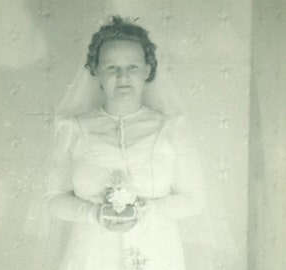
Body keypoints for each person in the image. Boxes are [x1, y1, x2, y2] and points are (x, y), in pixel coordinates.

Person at [45, 16, 206, 270]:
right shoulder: (73, 129)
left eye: (132, 66)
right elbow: (54, 200)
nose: (122, 76)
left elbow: (195, 199)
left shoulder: (171, 129)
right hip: (91, 256)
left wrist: (147, 210)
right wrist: (94, 214)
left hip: (157, 256)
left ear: (148, 70)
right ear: (96, 71)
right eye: (111, 67)